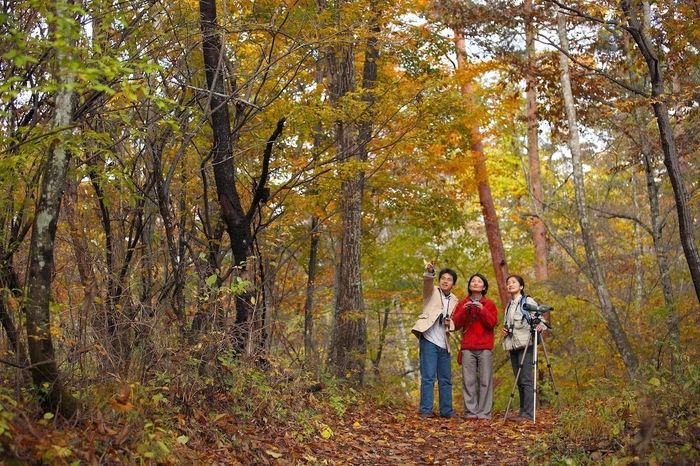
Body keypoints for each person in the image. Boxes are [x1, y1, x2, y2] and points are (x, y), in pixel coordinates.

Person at [411, 261, 458, 418]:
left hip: (444, 342)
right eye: (443, 278)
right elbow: (427, 282)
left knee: (445, 379)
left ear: (453, 284)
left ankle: (446, 411)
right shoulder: (432, 291)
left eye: (449, 279)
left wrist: (450, 324)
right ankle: (426, 410)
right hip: (429, 339)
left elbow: (456, 322)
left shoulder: (455, 300)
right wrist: (430, 272)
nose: (445, 281)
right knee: (428, 377)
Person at [451, 273, 498, 420]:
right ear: (469, 285)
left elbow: (492, 323)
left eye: (479, 281)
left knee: (485, 381)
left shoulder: (489, 304)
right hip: (468, 347)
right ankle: (471, 413)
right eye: (473, 281)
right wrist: (465, 309)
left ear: (484, 287)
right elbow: (455, 324)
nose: (476, 283)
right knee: (468, 381)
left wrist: (482, 310)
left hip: (485, 347)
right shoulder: (462, 303)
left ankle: (484, 414)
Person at [500, 275, 547, 422]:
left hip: (527, 345)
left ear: (521, 286)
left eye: (514, 282)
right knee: (519, 379)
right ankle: (522, 412)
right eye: (508, 283)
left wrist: (540, 326)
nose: (510, 285)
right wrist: (504, 331)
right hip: (513, 345)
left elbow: (541, 320)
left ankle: (528, 414)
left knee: (526, 379)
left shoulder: (527, 301)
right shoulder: (509, 305)